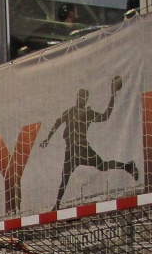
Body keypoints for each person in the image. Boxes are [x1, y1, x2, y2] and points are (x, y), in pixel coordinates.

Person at [40, 75, 139, 210]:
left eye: (82, 97)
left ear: (85, 99)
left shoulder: (88, 113)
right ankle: (56, 205)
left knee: (102, 166)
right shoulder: (69, 112)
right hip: (71, 151)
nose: (79, 99)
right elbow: (57, 123)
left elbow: (105, 116)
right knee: (65, 177)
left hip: (82, 149)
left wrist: (112, 96)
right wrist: (47, 138)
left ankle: (128, 166)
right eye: (78, 96)